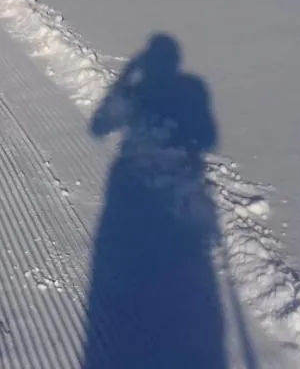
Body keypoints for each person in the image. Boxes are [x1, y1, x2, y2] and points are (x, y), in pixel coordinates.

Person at [82, 34, 226, 369]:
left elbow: (99, 126)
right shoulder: (192, 88)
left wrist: (124, 79)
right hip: (177, 197)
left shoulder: (136, 90)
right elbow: (208, 137)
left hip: (133, 191)